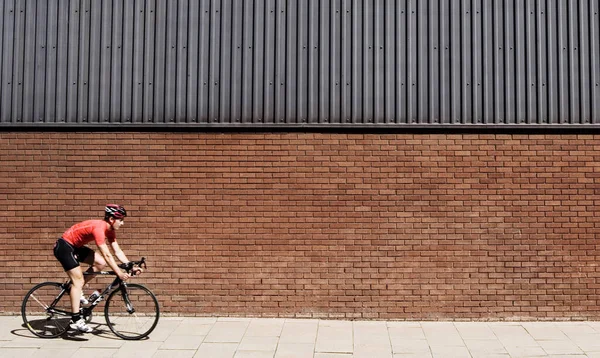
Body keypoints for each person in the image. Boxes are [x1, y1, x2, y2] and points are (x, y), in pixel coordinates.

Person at [53, 204, 142, 333]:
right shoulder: (99, 228)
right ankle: (75, 319)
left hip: (76, 247)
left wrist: (130, 265)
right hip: (64, 247)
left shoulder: (110, 231)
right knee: (78, 281)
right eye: (121, 220)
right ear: (112, 219)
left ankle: (74, 288)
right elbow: (107, 254)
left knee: (100, 263)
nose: (122, 223)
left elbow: (117, 251)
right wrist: (119, 272)